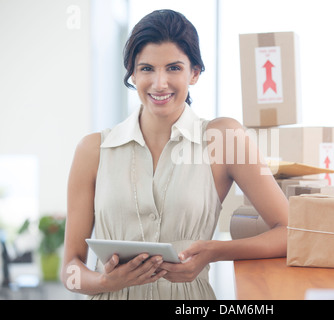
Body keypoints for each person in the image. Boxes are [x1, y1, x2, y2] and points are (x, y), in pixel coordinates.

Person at [61, 9, 288, 300]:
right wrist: (105, 282)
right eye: (146, 69)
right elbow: (71, 267)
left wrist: (213, 252)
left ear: (194, 73)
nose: (159, 83)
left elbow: (288, 232)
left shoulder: (224, 139)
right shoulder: (92, 150)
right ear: (132, 72)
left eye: (173, 68)